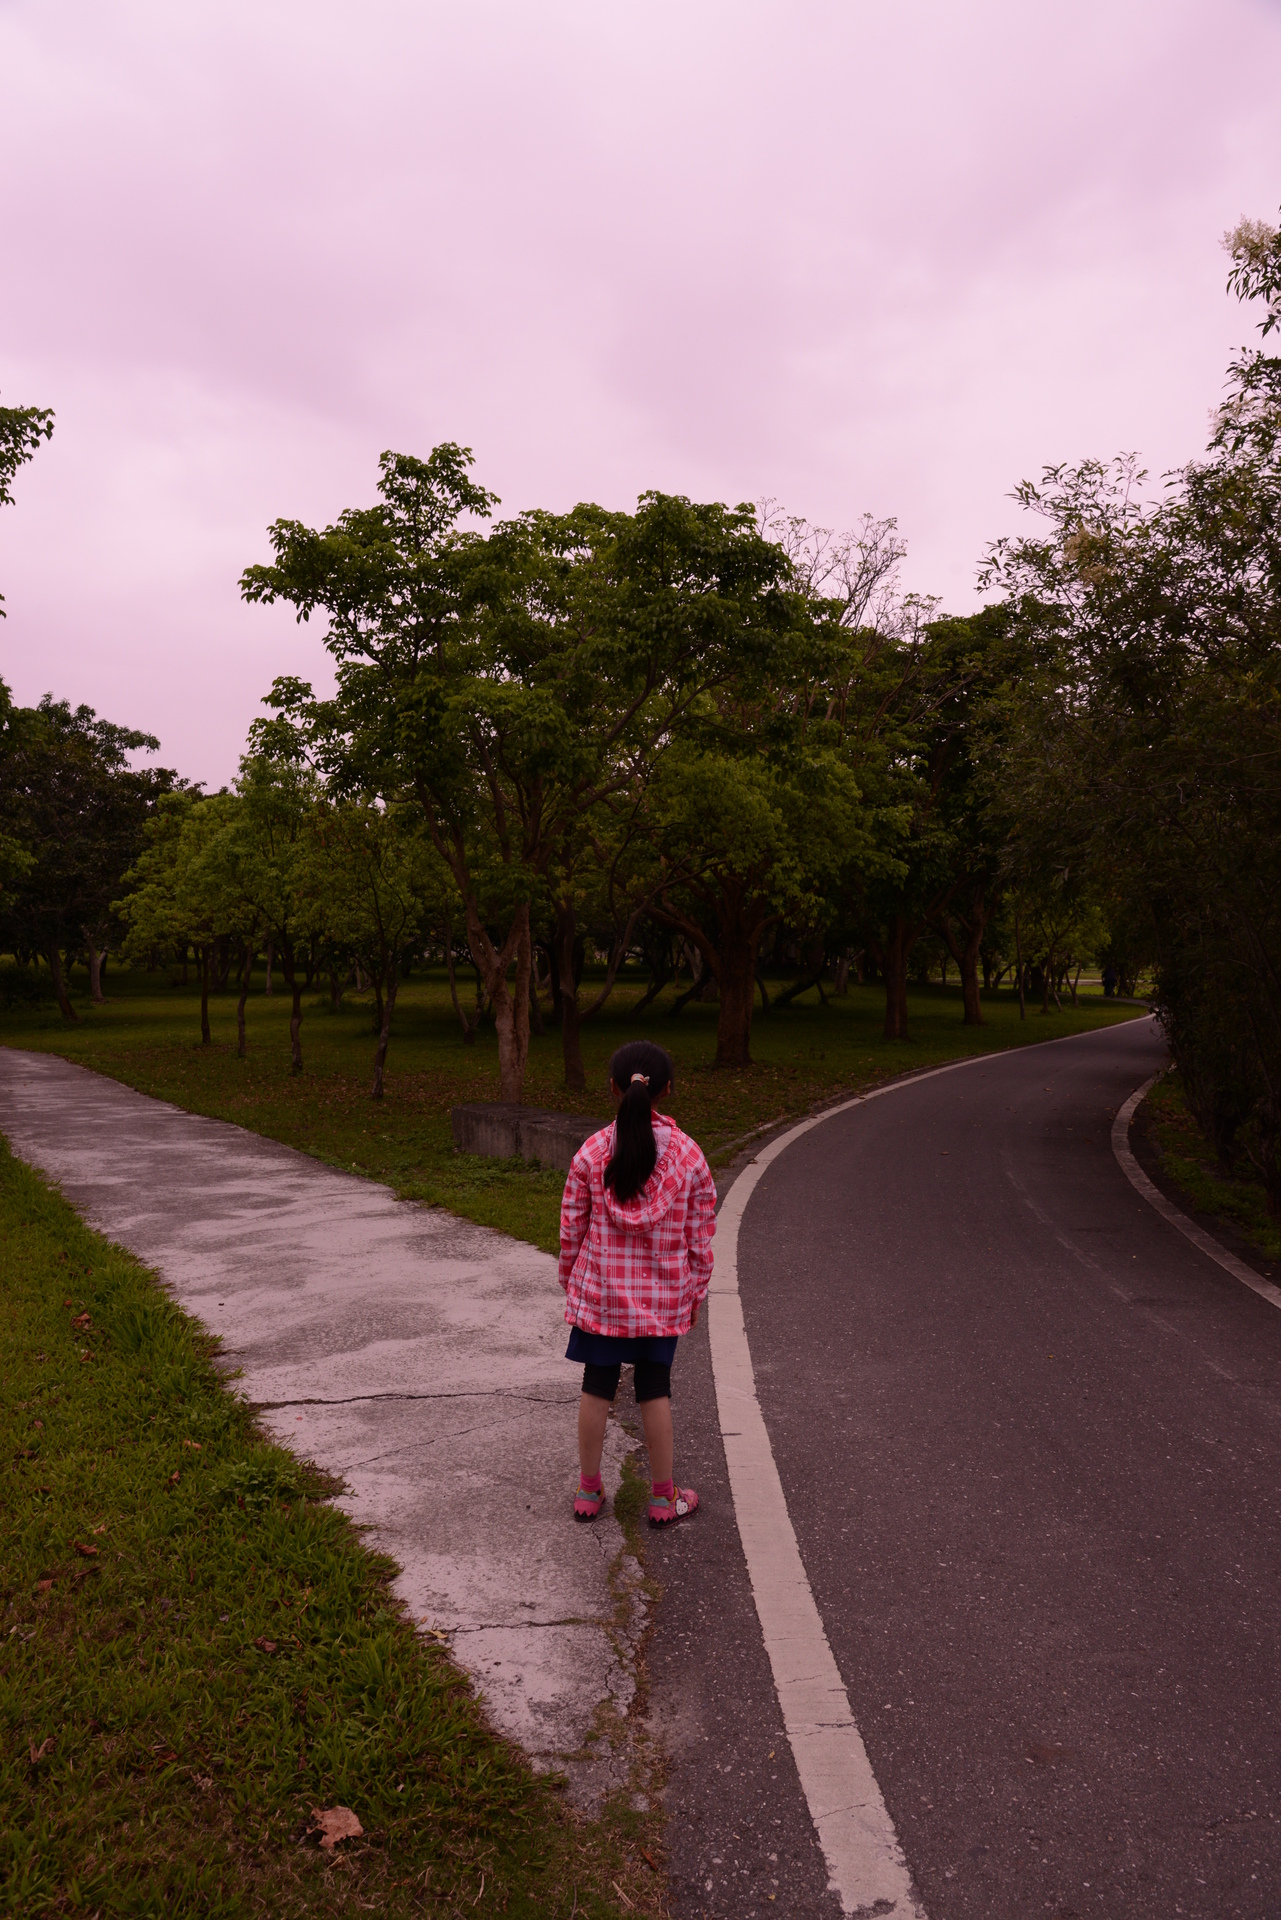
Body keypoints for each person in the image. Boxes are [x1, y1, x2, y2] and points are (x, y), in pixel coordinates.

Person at [558, 1039, 715, 1527]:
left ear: (613, 1088)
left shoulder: (591, 1152)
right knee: (654, 1389)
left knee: (596, 1384)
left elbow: (571, 1228)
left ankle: (588, 1490)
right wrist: (694, 1294)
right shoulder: (690, 1157)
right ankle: (664, 1498)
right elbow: (699, 1237)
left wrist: (571, 1281)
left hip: (602, 1297)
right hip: (662, 1299)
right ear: (666, 1090)